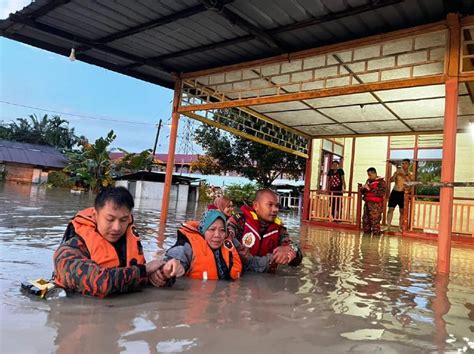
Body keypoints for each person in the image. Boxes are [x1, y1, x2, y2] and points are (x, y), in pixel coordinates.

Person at [53, 187, 180, 298]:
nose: (117, 227)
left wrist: (163, 273)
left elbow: (138, 277)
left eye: (123, 220)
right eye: (110, 219)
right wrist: (145, 270)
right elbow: (101, 283)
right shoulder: (68, 251)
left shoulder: (127, 243)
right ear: (95, 215)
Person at [227, 189, 303, 270]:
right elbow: (226, 234)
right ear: (256, 206)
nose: (275, 210)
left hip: (266, 276)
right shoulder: (240, 220)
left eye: (277, 206)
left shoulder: (279, 230)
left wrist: (290, 250)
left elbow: (298, 258)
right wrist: (235, 250)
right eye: (270, 205)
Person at [159, 210, 242, 281]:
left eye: (222, 230)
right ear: (203, 230)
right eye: (212, 229)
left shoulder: (230, 244)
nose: (217, 235)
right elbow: (170, 263)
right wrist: (171, 268)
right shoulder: (186, 247)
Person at [383, 159, 414, 231]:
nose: (404, 165)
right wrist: (395, 174)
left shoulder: (410, 174)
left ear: (409, 165)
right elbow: (390, 180)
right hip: (394, 192)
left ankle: (400, 227)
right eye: (402, 163)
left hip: (403, 194)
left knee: (402, 211)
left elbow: (411, 184)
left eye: (405, 163)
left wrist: (405, 175)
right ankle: (388, 226)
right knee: (390, 210)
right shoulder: (397, 172)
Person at [360, 167, 387, 236]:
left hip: (375, 205)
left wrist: (369, 189)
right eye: (368, 175)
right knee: (365, 220)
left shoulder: (382, 182)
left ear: (375, 173)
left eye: (370, 175)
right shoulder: (368, 181)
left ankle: (376, 239)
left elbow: (381, 193)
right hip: (367, 203)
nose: (369, 176)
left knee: (375, 221)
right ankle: (366, 239)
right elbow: (364, 192)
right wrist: (363, 188)